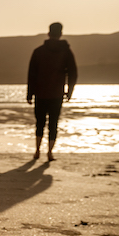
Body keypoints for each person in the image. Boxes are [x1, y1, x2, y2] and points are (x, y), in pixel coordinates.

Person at [27, 22, 77, 161]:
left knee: (40, 123)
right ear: (60, 34)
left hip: (40, 93)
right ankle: (49, 152)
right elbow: (73, 73)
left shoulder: (38, 51)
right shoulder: (66, 52)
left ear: (48, 34)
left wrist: (30, 93)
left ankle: (37, 151)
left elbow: (32, 73)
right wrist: (70, 90)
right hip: (57, 93)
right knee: (53, 123)